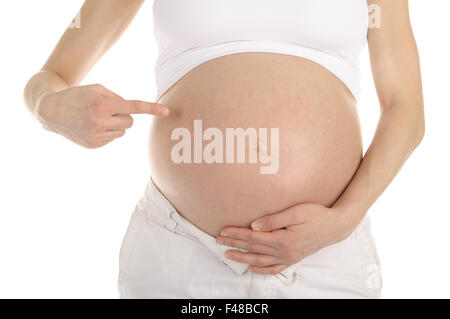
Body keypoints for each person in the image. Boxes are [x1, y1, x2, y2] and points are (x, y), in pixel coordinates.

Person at [24, 0, 424, 298]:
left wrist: (344, 219)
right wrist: (48, 106)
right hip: (180, 253)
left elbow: (406, 109)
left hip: (321, 258)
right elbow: (50, 77)